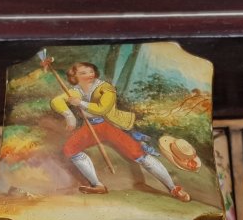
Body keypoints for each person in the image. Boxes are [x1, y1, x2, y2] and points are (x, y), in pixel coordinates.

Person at [48, 61, 189, 201]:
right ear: (75, 76)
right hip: (91, 127)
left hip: (110, 125)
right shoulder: (76, 91)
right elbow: (56, 101)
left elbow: (103, 109)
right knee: (70, 149)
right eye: (83, 73)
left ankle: (173, 188)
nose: (89, 74)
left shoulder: (105, 88)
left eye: (91, 71)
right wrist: (69, 116)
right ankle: (97, 185)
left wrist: (80, 103)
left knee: (139, 154)